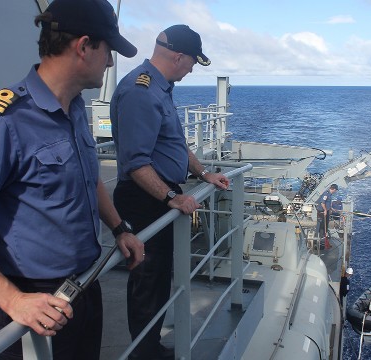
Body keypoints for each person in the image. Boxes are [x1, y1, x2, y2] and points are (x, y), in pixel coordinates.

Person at [0, 1, 144, 358]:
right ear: (84, 47)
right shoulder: (3, 121)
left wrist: (119, 228)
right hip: (36, 304)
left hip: (86, 285)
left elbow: (89, 178)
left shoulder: (73, 107)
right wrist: (14, 300)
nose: (111, 62)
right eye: (108, 51)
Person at [110, 24, 229, 360]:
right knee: (147, 283)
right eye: (192, 62)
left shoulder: (159, 89)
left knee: (159, 280)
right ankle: (142, 353)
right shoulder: (140, 91)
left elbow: (174, 145)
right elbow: (136, 163)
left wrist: (204, 173)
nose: (192, 69)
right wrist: (171, 197)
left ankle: (150, 347)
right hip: (142, 199)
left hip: (156, 198)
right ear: (178, 56)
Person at [315, 184, 338, 248]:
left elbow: (327, 203)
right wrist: (325, 210)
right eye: (335, 190)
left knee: (325, 226)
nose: (335, 191)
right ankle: (320, 242)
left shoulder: (329, 194)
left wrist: (331, 208)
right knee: (321, 227)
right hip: (322, 212)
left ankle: (324, 240)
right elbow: (322, 203)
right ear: (334, 189)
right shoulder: (326, 194)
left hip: (326, 212)